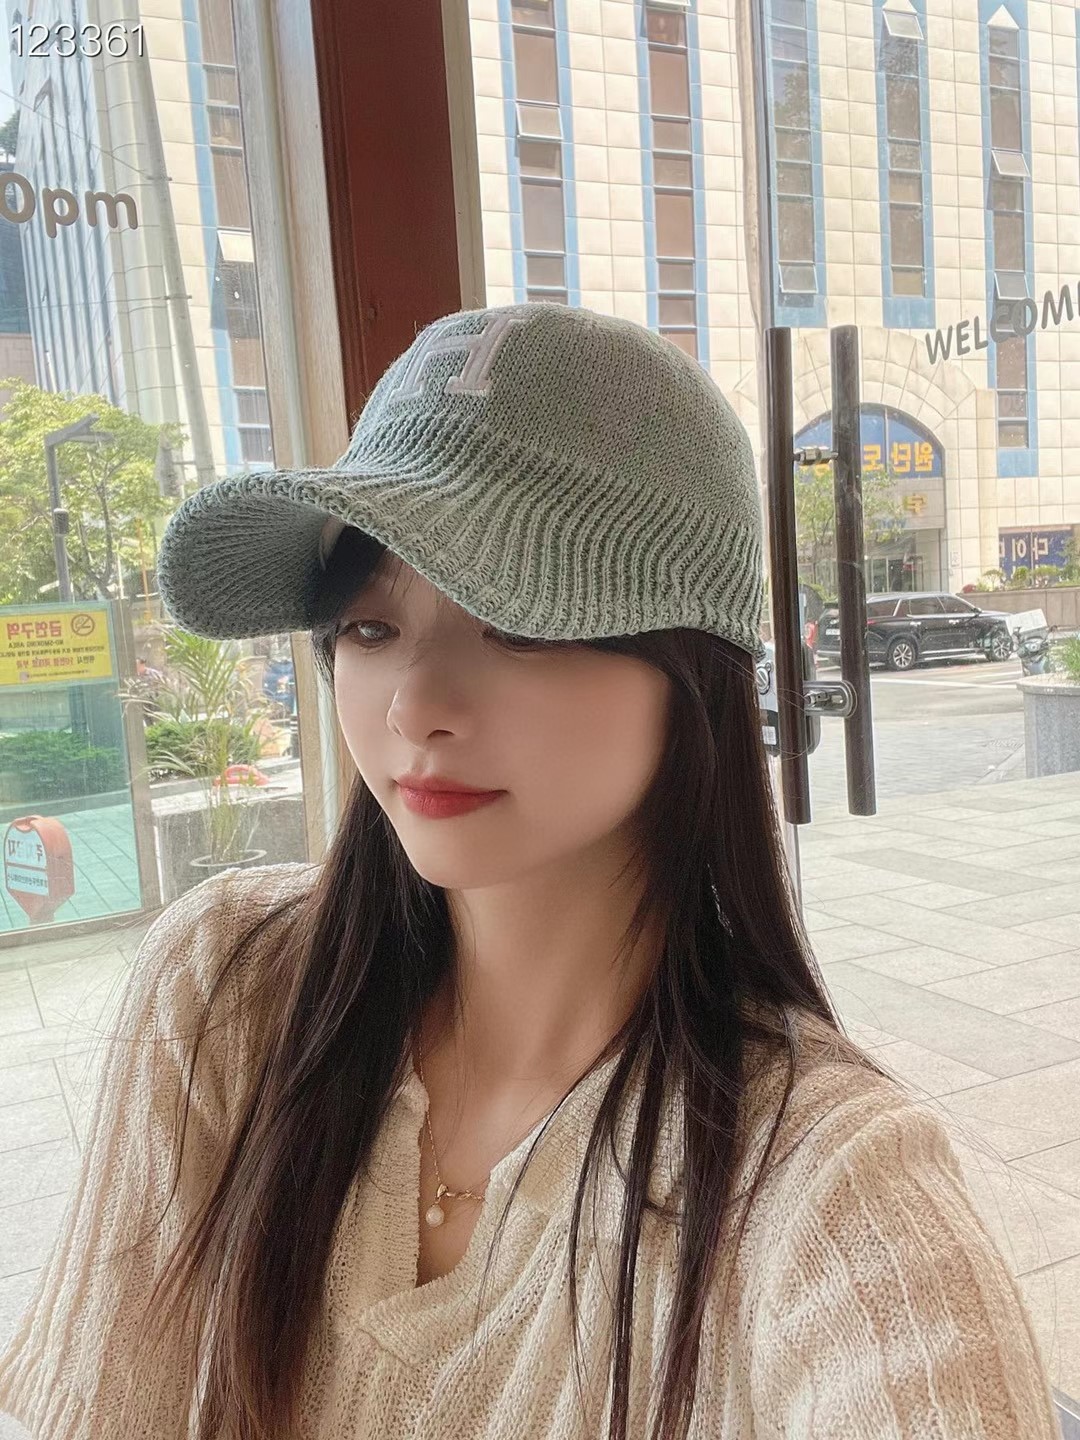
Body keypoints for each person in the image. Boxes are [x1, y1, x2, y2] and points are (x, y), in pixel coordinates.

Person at [0, 304, 1060, 1440]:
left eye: (518, 621)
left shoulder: (822, 1186)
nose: (415, 705)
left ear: (692, 672)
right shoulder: (230, 989)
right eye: (368, 627)